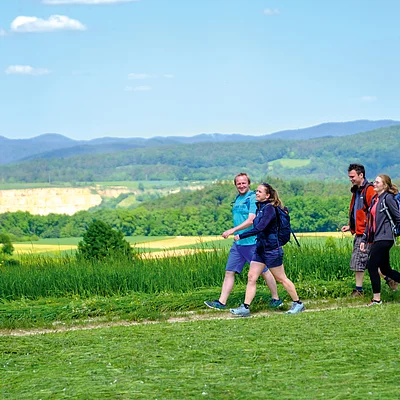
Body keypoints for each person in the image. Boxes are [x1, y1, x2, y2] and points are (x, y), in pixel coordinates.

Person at [204, 173, 281, 310]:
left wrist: (232, 230)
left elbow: (251, 220)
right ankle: (221, 302)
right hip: (238, 244)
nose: (241, 185)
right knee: (229, 271)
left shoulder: (252, 198)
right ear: (235, 185)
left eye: (244, 183)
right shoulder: (238, 199)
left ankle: (276, 298)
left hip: (252, 242)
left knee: (264, 271)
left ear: (248, 183)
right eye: (238, 183)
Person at [230, 182, 305, 316]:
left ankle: (298, 303)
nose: (256, 193)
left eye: (259, 192)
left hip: (271, 250)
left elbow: (260, 228)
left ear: (267, 195)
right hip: (260, 249)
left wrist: (240, 236)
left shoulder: (270, 209)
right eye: (256, 191)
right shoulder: (261, 207)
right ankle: (245, 308)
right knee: (252, 277)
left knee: (281, 278)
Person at [360, 174, 400, 305]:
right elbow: (369, 222)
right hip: (377, 237)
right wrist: (364, 239)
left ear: (385, 185)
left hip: (385, 237)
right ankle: (377, 298)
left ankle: (376, 299)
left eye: (377, 182)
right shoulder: (375, 199)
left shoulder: (388, 198)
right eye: (374, 182)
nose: (374, 184)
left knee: (372, 266)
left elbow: (398, 217)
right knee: (385, 270)